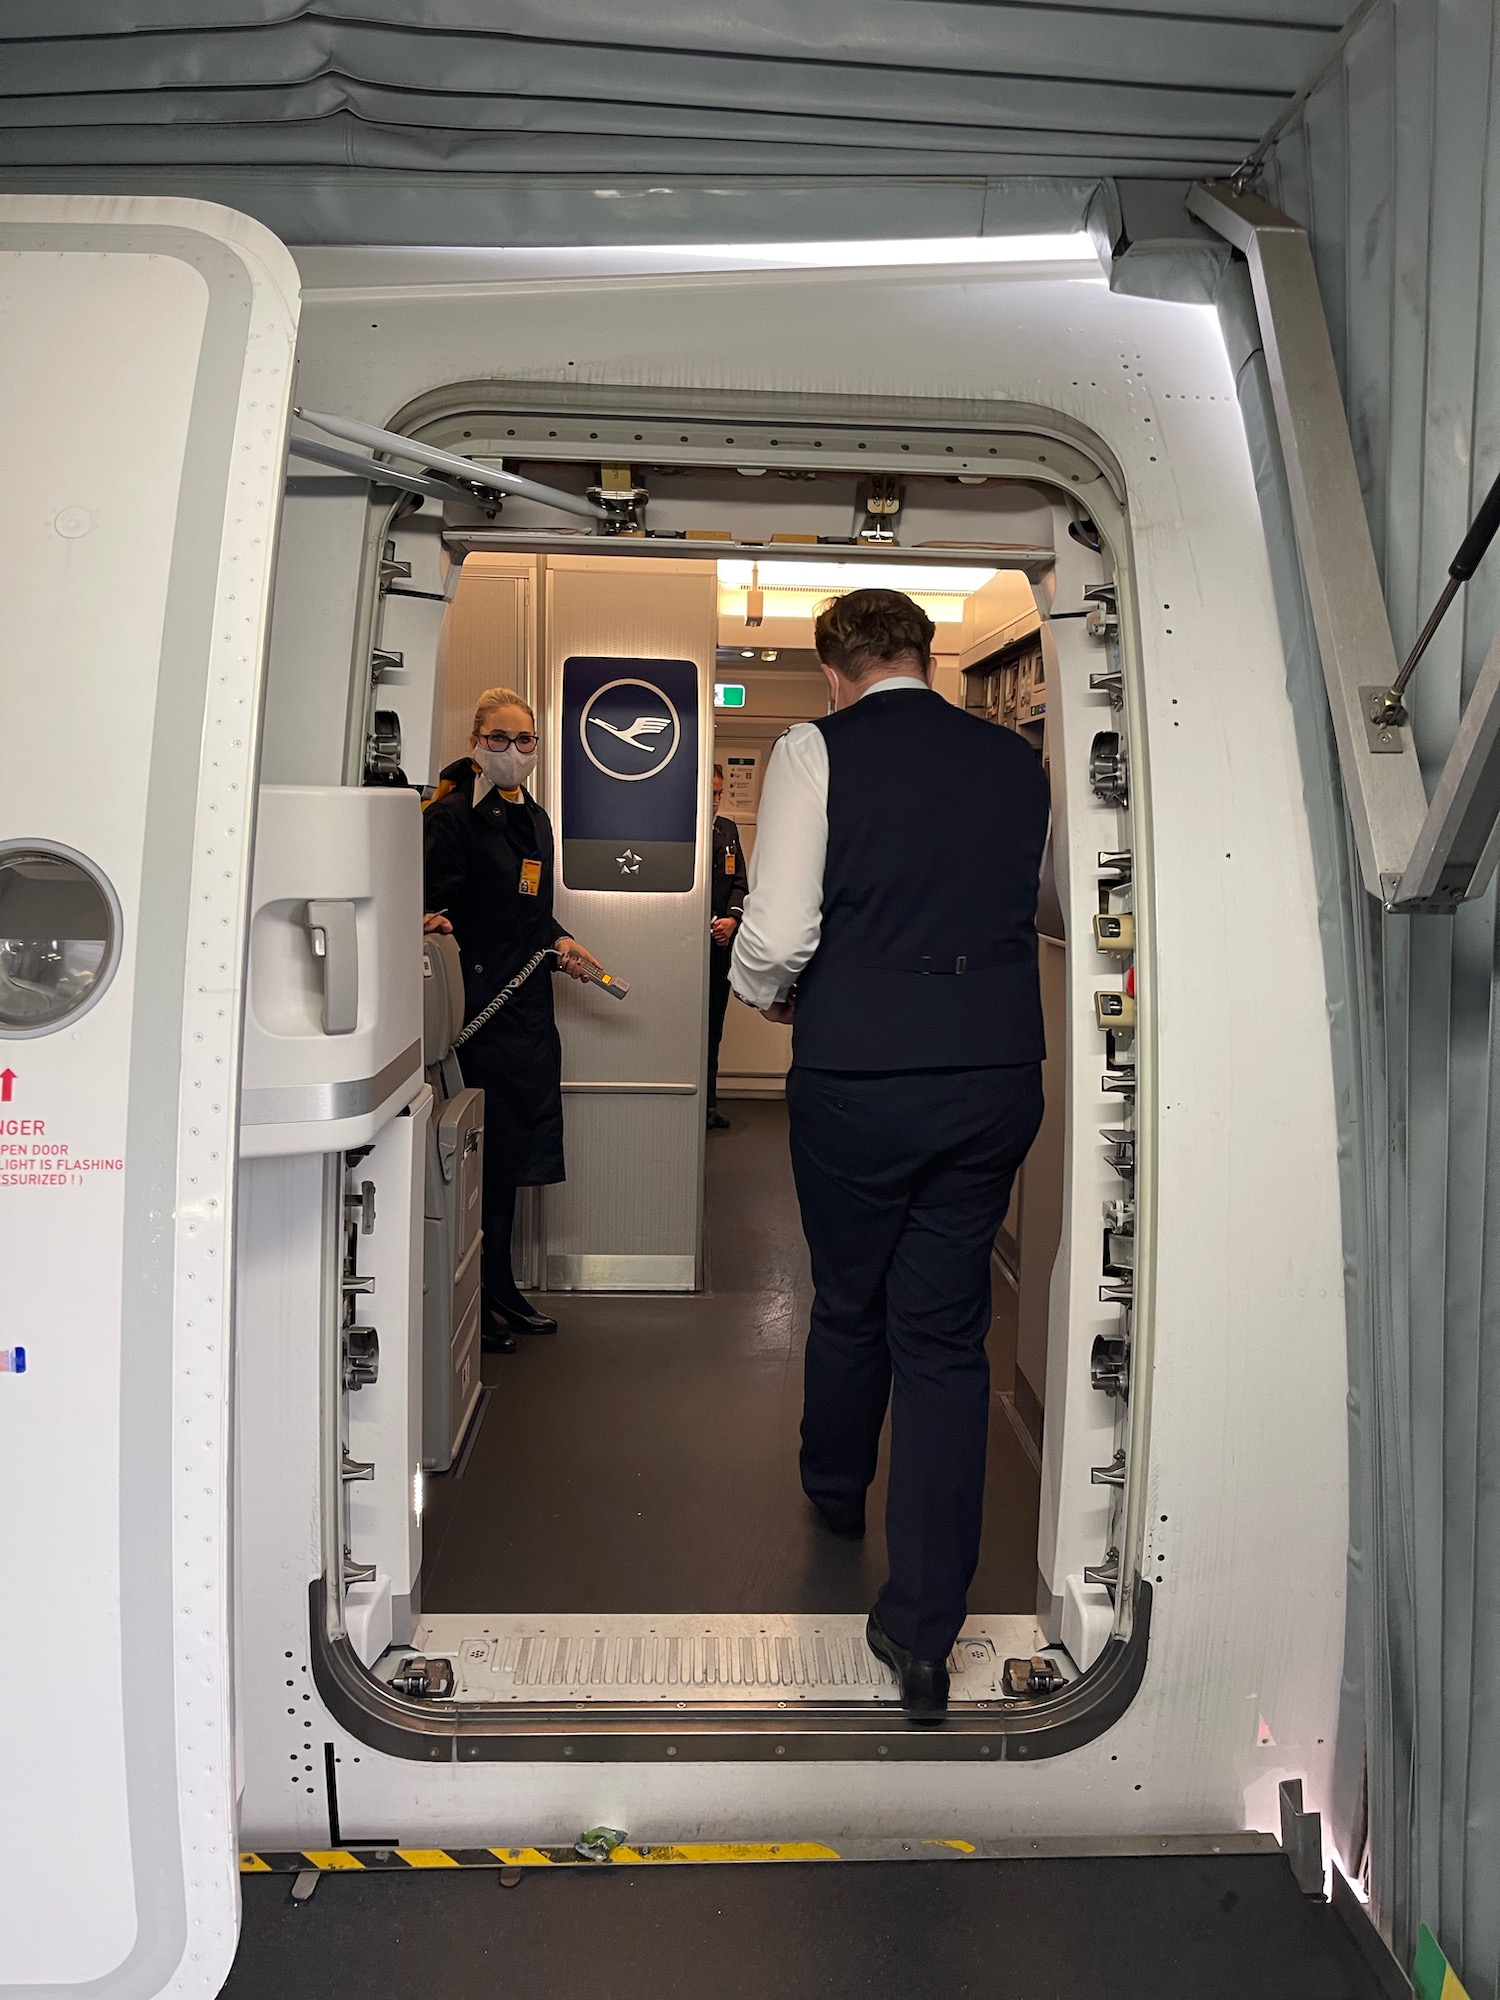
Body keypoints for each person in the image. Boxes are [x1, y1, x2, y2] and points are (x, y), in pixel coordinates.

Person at [730, 589, 1049, 1723]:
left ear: (834, 669)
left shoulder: (815, 750)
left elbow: (776, 931)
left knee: (850, 1296)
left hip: (860, 1081)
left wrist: (766, 996)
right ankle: (923, 1636)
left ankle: (833, 1489)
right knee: (947, 1341)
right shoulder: (1017, 763)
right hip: (993, 1081)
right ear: (927, 654)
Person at [423, 687, 601, 1353]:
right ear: (475, 742)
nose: (513, 751)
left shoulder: (537, 823)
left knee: (514, 1153)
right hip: (477, 1014)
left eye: (524, 740)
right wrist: (429, 921)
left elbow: (532, 915)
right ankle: (484, 1292)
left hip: (526, 1008)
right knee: (483, 1158)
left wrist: (563, 944)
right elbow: (430, 905)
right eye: (499, 738)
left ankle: (499, 1286)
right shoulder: (451, 818)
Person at [706, 762, 749, 1130]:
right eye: (712, 791)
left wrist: (732, 919)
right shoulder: (680, 827)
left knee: (713, 1029)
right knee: (690, 1028)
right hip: (688, 945)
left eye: (720, 792)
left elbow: (739, 883)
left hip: (721, 945)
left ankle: (708, 1105)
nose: (717, 799)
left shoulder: (728, 830)